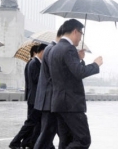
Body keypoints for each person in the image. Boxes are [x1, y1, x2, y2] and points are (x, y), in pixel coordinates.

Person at [49, 19, 103, 149]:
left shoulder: (54, 49)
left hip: (58, 103)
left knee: (66, 140)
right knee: (83, 140)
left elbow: (67, 72)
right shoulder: (69, 49)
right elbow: (79, 72)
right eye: (81, 33)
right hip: (71, 104)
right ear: (75, 31)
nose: (80, 38)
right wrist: (95, 64)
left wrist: (78, 59)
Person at [9, 44, 47, 149]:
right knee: (30, 123)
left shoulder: (37, 63)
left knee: (36, 124)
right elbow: (35, 79)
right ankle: (15, 142)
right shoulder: (34, 63)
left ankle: (28, 142)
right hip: (34, 99)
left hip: (37, 99)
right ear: (42, 51)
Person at [33, 26, 63, 149]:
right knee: (46, 134)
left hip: (49, 100)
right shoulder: (52, 50)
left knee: (49, 133)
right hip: (50, 100)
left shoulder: (49, 49)